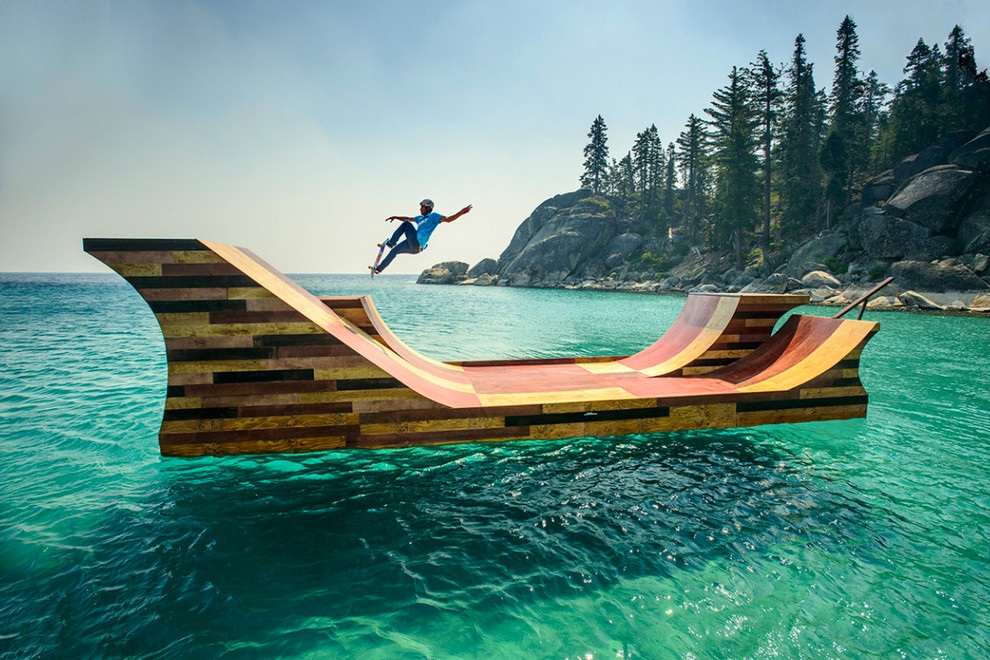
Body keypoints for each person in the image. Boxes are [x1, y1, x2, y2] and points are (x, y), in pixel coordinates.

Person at [371, 198, 473, 274]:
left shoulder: (434, 216)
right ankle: (379, 269)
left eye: (422, 207)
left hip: (417, 244)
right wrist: (396, 217)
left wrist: (461, 212)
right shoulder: (419, 218)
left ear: (428, 208)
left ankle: (391, 243)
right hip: (413, 246)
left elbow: (448, 219)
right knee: (394, 251)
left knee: (406, 224)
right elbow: (408, 218)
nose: (420, 209)